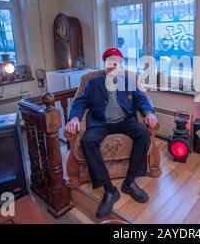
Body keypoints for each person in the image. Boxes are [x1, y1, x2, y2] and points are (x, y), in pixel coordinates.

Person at [65, 48, 158, 218]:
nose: (112, 66)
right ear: (105, 65)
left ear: (120, 66)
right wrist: (74, 118)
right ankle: (109, 190)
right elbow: (80, 102)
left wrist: (149, 113)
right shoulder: (93, 83)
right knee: (87, 141)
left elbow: (142, 99)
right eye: (109, 63)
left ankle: (129, 182)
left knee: (143, 134)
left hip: (126, 121)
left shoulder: (128, 81)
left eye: (116, 63)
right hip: (101, 123)